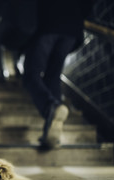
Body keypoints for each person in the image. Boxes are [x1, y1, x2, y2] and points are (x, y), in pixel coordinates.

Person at [22, 0, 93, 149]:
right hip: (72, 28)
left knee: (31, 74)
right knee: (52, 77)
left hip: (47, 25)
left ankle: (51, 107)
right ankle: (52, 133)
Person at [0, 0, 37, 82]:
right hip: (3, 15)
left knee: (12, 42)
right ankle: (8, 70)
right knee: (1, 43)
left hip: (11, 15)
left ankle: (10, 69)